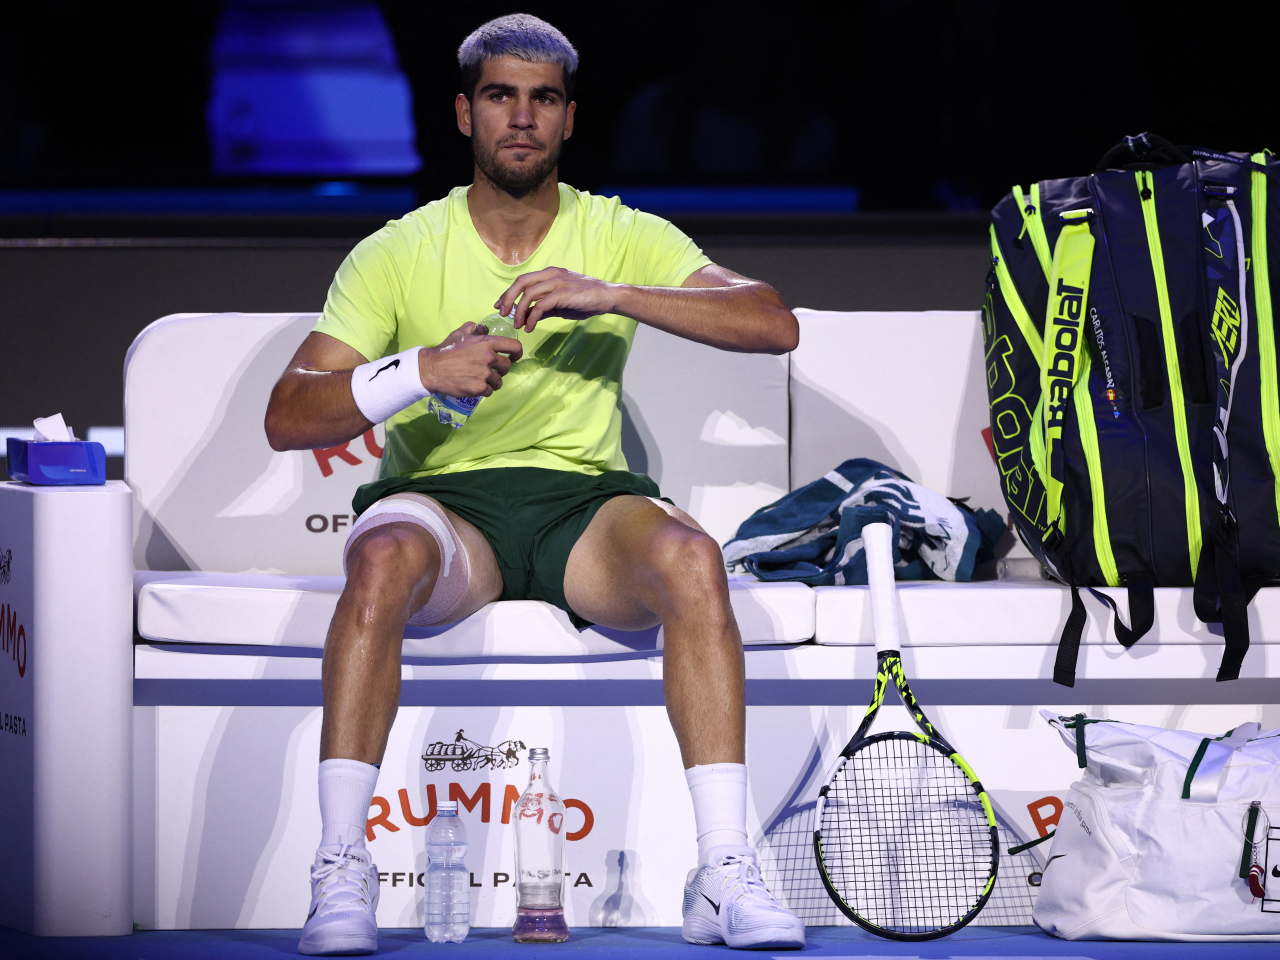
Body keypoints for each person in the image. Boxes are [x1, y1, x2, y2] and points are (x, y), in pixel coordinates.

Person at [264, 13, 804, 956]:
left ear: (567, 118)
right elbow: (289, 413)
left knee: (691, 557)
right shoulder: (397, 249)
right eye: (502, 97)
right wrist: (418, 372)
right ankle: (341, 869)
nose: (523, 117)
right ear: (464, 114)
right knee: (382, 555)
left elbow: (770, 321)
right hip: (448, 514)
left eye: (543, 99)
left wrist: (612, 293)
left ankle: (723, 869)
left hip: (581, 510)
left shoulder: (619, 232)